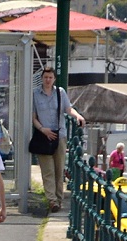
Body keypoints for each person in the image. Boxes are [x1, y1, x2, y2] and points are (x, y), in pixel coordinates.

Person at [31, 66, 84, 213]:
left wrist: (78, 116)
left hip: (59, 136)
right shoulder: (35, 94)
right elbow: (33, 117)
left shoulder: (60, 93)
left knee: (59, 169)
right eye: (45, 77)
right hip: (43, 136)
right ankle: (52, 201)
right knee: (48, 171)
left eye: (50, 77)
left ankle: (58, 199)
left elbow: (68, 109)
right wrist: (43, 129)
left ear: (54, 79)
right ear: (42, 78)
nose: (47, 80)